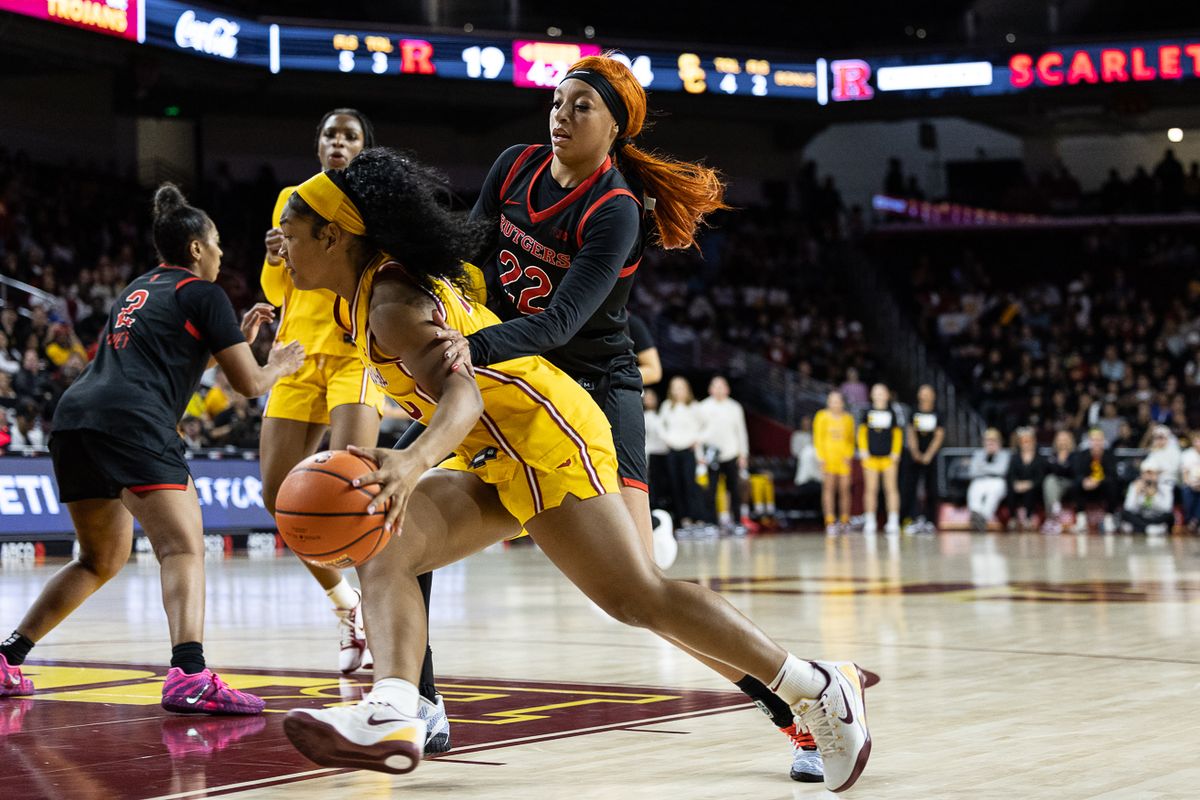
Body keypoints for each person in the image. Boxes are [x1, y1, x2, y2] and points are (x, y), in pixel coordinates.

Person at [273, 151, 872, 793]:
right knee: (386, 539)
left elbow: (464, 396)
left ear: (333, 235)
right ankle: (393, 712)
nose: (279, 243)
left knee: (636, 597)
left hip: (547, 439)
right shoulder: (359, 300)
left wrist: (412, 461)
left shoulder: (393, 301)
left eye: (290, 228)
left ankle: (815, 685)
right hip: (497, 450)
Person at [422, 54, 822, 781]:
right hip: (521, 386)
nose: (562, 114)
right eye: (557, 100)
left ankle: (795, 708)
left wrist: (468, 342)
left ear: (615, 127)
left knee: (642, 598)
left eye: (581, 106)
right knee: (408, 521)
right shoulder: (513, 168)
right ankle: (417, 699)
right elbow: (471, 259)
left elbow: (561, 320)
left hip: (596, 391)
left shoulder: (616, 210)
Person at [0, 184, 304, 714]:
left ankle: (8, 656)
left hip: (75, 421)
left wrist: (233, 337)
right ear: (195, 249)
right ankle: (189, 673)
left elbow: (173, 364)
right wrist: (280, 363)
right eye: (216, 247)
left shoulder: (140, 288)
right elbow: (251, 385)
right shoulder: (203, 293)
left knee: (99, 560)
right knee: (182, 547)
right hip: (133, 423)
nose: (220, 256)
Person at [259, 108, 391, 680]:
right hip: (296, 357)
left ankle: (391, 630)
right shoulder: (292, 196)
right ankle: (347, 607)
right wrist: (271, 260)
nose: (339, 141)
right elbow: (278, 285)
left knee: (355, 493)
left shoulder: (373, 207)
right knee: (277, 498)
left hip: (352, 355)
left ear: (363, 148)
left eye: (350, 135)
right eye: (330, 134)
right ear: (318, 145)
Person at [697, 376, 753, 532]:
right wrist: (700, 455)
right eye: (716, 386)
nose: (719, 389)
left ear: (727, 389)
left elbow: (741, 432)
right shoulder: (703, 407)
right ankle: (712, 523)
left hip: (731, 453)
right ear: (710, 389)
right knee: (711, 490)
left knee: (734, 489)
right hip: (711, 455)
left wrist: (743, 454)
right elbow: (698, 433)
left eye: (722, 386)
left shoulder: (735, 407)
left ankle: (737, 522)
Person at [660, 376, 707, 529]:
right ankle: (684, 519)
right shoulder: (667, 406)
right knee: (676, 485)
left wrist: (696, 440)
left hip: (689, 450)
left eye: (681, 386)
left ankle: (697, 518)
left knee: (690, 484)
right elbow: (661, 427)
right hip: (673, 450)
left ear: (687, 389)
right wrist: (668, 439)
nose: (678, 390)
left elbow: (704, 427)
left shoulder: (694, 406)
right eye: (675, 387)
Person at [858, 383, 903, 534]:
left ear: (887, 395)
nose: (879, 395)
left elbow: (897, 434)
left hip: (888, 459)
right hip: (871, 458)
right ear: (871, 395)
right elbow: (862, 432)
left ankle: (893, 520)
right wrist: (863, 450)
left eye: (882, 392)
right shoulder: (867, 412)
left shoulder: (892, 413)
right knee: (871, 490)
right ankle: (870, 520)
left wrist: (896, 453)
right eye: (876, 392)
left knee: (891, 489)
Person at [902, 384, 944, 534]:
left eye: (928, 393)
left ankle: (930, 520)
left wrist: (928, 455)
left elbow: (939, 435)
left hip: (931, 456)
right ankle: (911, 519)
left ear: (933, 396)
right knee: (910, 487)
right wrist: (915, 452)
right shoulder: (914, 411)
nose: (925, 396)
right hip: (914, 456)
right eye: (922, 393)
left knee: (931, 488)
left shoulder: (938, 413)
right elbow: (910, 432)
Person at [814, 390, 855, 534]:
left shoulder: (848, 418)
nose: (835, 404)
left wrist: (849, 455)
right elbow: (818, 439)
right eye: (832, 401)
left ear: (842, 403)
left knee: (845, 489)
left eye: (837, 401)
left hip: (843, 458)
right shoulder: (821, 416)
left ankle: (844, 519)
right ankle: (830, 520)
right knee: (829, 489)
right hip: (828, 458)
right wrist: (821, 457)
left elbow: (851, 440)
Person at [1070, 428, 1120, 533]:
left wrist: (1098, 481)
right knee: (1076, 484)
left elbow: (1113, 475)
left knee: (1112, 484)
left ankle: (1109, 518)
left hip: (1103, 486)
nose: (1096, 443)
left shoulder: (1109, 455)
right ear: (1089, 442)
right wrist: (1085, 480)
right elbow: (1077, 472)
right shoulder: (1082, 455)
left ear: (1103, 441)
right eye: (1094, 440)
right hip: (1087, 487)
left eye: (1099, 440)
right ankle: (1081, 520)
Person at [965, 428, 1010, 531]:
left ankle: (983, 518)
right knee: (974, 489)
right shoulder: (979, 453)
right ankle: (976, 514)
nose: (990, 443)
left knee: (994, 492)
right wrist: (989, 466)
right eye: (988, 440)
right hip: (980, 480)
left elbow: (1001, 470)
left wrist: (983, 467)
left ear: (999, 442)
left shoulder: (1004, 454)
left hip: (997, 480)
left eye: (993, 441)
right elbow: (973, 471)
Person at [1005, 427, 1045, 531]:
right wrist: (1016, 484)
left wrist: (1030, 484)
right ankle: (1012, 518)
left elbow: (1041, 477)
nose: (1026, 443)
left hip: (1034, 487)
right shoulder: (1015, 457)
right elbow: (1010, 474)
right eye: (1023, 441)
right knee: (1011, 489)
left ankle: (1028, 518)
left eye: (1028, 441)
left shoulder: (1039, 458)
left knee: (1030, 491)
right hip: (1018, 486)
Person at [1041, 430, 1076, 533]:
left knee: (1051, 482)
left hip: (1070, 484)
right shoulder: (1052, 456)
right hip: (1055, 484)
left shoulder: (1075, 455)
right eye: (1060, 439)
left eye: (1065, 439)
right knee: (1049, 481)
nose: (1062, 442)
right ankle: (1054, 511)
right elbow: (1047, 471)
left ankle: (1052, 518)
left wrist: (1059, 466)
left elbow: (1073, 472)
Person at [1120, 467, 1173, 534]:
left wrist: (1154, 496)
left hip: (1156, 517)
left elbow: (1167, 508)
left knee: (1169, 516)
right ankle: (1147, 527)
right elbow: (1129, 508)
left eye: (1151, 474)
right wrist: (1136, 494)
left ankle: (1141, 528)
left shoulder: (1164, 486)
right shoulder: (1136, 485)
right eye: (1146, 474)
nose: (1149, 477)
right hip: (1141, 516)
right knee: (1125, 513)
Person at [1179, 432, 1200, 532]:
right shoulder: (1187, 454)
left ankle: (1195, 521)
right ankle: (1190, 520)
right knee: (1186, 491)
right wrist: (1191, 484)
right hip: (1189, 483)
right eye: (1197, 441)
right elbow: (1185, 474)